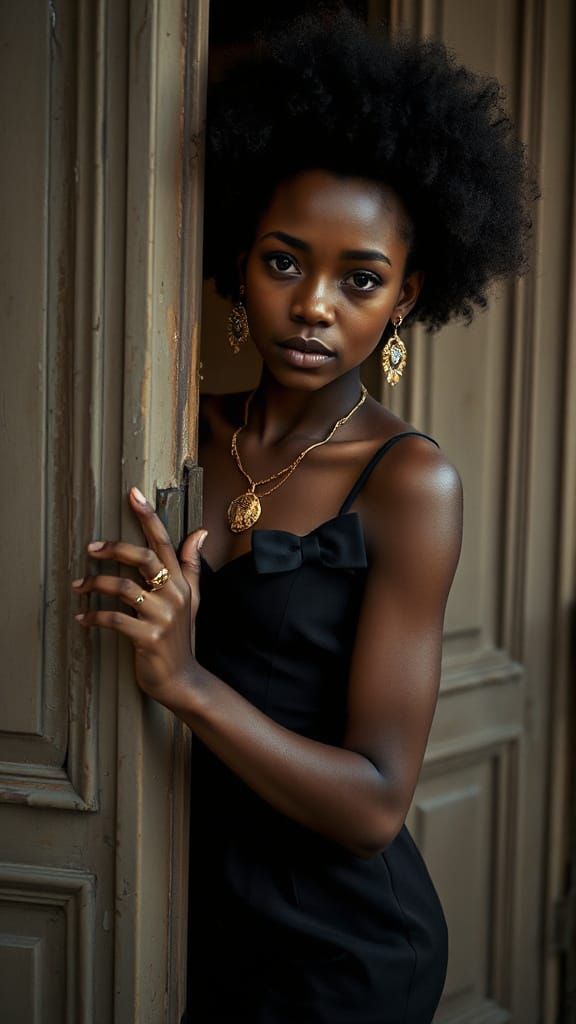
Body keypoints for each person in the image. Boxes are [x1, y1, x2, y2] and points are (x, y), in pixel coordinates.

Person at [71, 9, 536, 1022]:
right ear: (242, 262)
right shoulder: (168, 433)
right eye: (286, 261)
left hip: (339, 955)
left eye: (358, 278)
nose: (315, 303)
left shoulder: (412, 482)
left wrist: (187, 683)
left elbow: (374, 804)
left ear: (407, 296)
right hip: (171, 921)